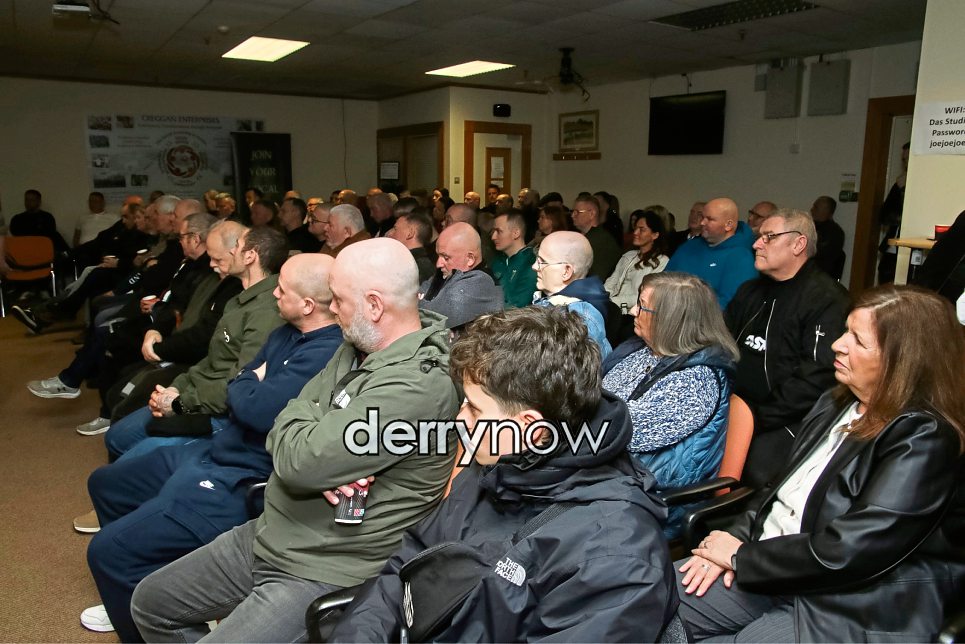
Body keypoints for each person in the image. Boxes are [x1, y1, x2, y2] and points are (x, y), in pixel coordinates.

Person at [130, 239, 461, 643]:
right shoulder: (357, 344)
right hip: (275, 530)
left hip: (325, 565)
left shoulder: (419, 384)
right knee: (151, 602)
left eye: (338, 299)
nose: (330, 308)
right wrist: (315, 438)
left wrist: (314, 437)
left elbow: (300, 462)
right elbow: (286, 417)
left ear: (375, 305)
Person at [330, 306, 678, 642]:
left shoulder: (616, 555)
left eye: (474, 408)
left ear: (529, 427)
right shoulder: (500, 463)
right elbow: (409, 563)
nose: (460, 420)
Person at [678, 285, 965, 642]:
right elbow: (775, 490)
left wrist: (741, 558)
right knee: (647, 596)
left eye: (858, 341)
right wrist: (729, 541)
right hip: (769, 566)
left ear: (903, 360)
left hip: (843, 600)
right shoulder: (834, 402)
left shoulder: (925, 435)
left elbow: (854, 549)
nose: (837, 345)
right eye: (845, 331)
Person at [80, 254, 344, 640]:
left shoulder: (325, 352)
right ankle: (134, 587)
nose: (273, 293)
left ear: (307, 305)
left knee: (108, 551)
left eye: (282, 289)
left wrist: (249, 383)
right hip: (217, 449)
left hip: (244, 475)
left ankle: (147, 601)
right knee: (106, 483)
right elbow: (241, 383)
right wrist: (250, 382)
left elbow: (255, 408)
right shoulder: (284, 332)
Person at [602, 272, 738, 537]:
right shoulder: (643, 349)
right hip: (618, 478)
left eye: (642, 306)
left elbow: (618, 432)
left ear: (670, 319)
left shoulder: (696, 382)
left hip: (651, 501)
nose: (632, 311)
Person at [725, 209, 850, 488]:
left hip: (784, 420)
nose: (757, 244)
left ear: (798, 244)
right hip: (732, 409)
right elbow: (720, 346)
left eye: (769, 237)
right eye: (759, 237)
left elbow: (817, 378)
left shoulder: (827, 299)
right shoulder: (749, 291)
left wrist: (754, 418)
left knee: (754, 473)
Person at [666, 197, 758, 309]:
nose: (702, 222)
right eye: (703, 217)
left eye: (709, 219)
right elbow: (662, 280)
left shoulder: (741, 258)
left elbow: (730, 305)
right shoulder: (689, 246)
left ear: (728, 225)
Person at [533, 231, 612, 358]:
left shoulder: (579, 318)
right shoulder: (560, 305)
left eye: (542, 262)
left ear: (566, 271)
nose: (534, 266)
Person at [605, 209, 670, 312]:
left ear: (655, 235)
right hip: (611, 308)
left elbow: (645, 295)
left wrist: (612, 302)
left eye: (642, 230)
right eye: (635, 228)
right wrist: (601, 298)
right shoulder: (628, 256)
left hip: (634, 313)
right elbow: (611, 282)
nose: (635, 233)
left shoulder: (662, 261)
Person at [491, 211, 537, 308]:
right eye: (493, 231)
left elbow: (518, 306)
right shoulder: (497, 261)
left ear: (516, 233)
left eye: (499, 231)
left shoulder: (531, 263)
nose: (493, 237)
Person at [571, 195, 622, 280]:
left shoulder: (603, 240)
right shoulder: (585, 237)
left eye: (577, 212)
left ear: (592, 214)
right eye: (573, 211)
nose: (573, 215)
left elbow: (597, 276)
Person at [810, 195, 846, 280]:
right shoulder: (810, 226)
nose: (811, 209)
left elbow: (815, 252)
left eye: (816, 207)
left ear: (826, 211)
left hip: (820, 276)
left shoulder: (835, 233)